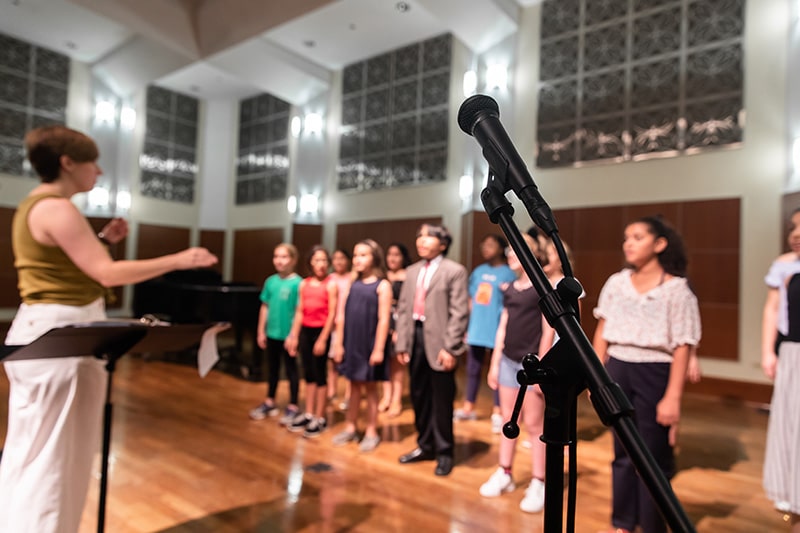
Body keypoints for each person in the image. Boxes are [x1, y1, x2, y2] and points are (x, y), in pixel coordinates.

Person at [0, 125, 218, 533]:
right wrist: (179, 259)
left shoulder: (36, 205)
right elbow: (106, 273)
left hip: (43, 331)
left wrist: (101, 238)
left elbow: (66, 265)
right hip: (62, 339)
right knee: (56, 466)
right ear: (67, 163)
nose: (98, 171)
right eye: (92, 162)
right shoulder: (58, 207)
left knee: (33, 454)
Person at [592, 215, 701, 533]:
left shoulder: (676, 289)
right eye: (626, 237)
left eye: (638, 237)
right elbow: (603, 329)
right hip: (618, 368)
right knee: (622, 452)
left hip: (656, 372)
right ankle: (623, 522)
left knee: (652, 457)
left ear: (660, 244)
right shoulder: (617, 282)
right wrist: (597, 375)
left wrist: (673, 397)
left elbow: (683, 344)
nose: (629, 243)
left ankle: (653, 525)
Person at [480, 233, 547, 513]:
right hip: (508, 361)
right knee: (509, 419)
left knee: (534, 425)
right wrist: (495, 361)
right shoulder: (509, 288)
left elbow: (548, 330)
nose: (509, 254)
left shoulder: (542, 289)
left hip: (531, 366)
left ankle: (538, 481)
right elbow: (503, 325)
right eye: (508, 249)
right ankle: (505, 472)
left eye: (515, 250)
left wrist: (541, 366)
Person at [395, 223, 469, 476]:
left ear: (443, 244)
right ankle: (425, 445)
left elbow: (460, 312)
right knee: (418, 395)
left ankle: (445, 451)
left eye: (429, 236)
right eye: (419, 236)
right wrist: (402, 343)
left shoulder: (455, 271)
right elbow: (404, 308)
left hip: (440, 341)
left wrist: (451, 347)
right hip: (414, 337)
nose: (422, 241)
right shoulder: (412, 271)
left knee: (441, 398)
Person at [332, 239, 392, 452]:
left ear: (374, 257)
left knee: (371, 389)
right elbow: (342, 316)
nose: (357, 259)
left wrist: (378, 348)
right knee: (353, 387)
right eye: (356, 255)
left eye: (363, 255)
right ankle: (350, 427)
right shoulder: (352, 283)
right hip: (352, 342)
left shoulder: (382, 285)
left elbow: (384, 319)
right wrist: (339, 344)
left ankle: (371, 431)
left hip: (370, 344)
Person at [454, 234, 516, 434]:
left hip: (497, 330)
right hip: (477, 329)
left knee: (497, 372)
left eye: (490, 245)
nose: (485, 248)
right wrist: (467, 326)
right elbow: (471, 300)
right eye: (484, 244)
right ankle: (468, 407)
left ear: (500, 248)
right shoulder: (479, 271)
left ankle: (498, 412)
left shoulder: (509, 273)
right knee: (472, 369)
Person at [762, 207, 800, 531]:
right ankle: (792, 493)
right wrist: (767, 351)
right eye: (794, 226)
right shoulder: (784, 265)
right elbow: (773, 309)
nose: (796, 233)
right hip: (793, 351)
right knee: (791, 423)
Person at [285, 245, 337, 438]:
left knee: (320, 374)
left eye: (324, 260)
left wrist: (323, 339)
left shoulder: (331, 284)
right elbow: (299, 312)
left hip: (321, 332)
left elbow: (332, 314)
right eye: (317, 260)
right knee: (308, 373)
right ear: (310, 263)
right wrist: (293, 335)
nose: (321, 264)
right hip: (305, 331)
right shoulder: (304, 284)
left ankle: (320, 416)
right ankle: (308, 412)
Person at [249, 243, 302, 424]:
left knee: (291, 370)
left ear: (293, 260)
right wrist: (260, 331)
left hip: (288, 336)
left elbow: (298, 311)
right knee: (271, 369)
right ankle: (270, 400)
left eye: (284, 257)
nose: (279, 260)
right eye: (276, 256)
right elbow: (265, 306)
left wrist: (293, 335)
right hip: (271, 333)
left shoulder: (298, 283)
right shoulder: (270, 281)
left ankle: (293, 404)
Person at [379, 242, 412, 418]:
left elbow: (408, 304)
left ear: (403, 257)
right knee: (384, 363)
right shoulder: (382, 275)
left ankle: (397, 400)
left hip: (399, 321)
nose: (392, 258)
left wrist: (399, 328)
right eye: (389, 254)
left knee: (397, 365)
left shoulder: (407, 275)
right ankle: (386, 396)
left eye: (396, 254)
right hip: (382, 321)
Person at [327, 248, 353, 408]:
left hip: (349, 324)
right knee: (332, 360)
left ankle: (349, 395)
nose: (338, 262)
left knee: (349, 360)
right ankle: (331, 391)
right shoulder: (330, 279)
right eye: (335, 258)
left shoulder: (352, 278)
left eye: (342, 258)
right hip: (332, 324)